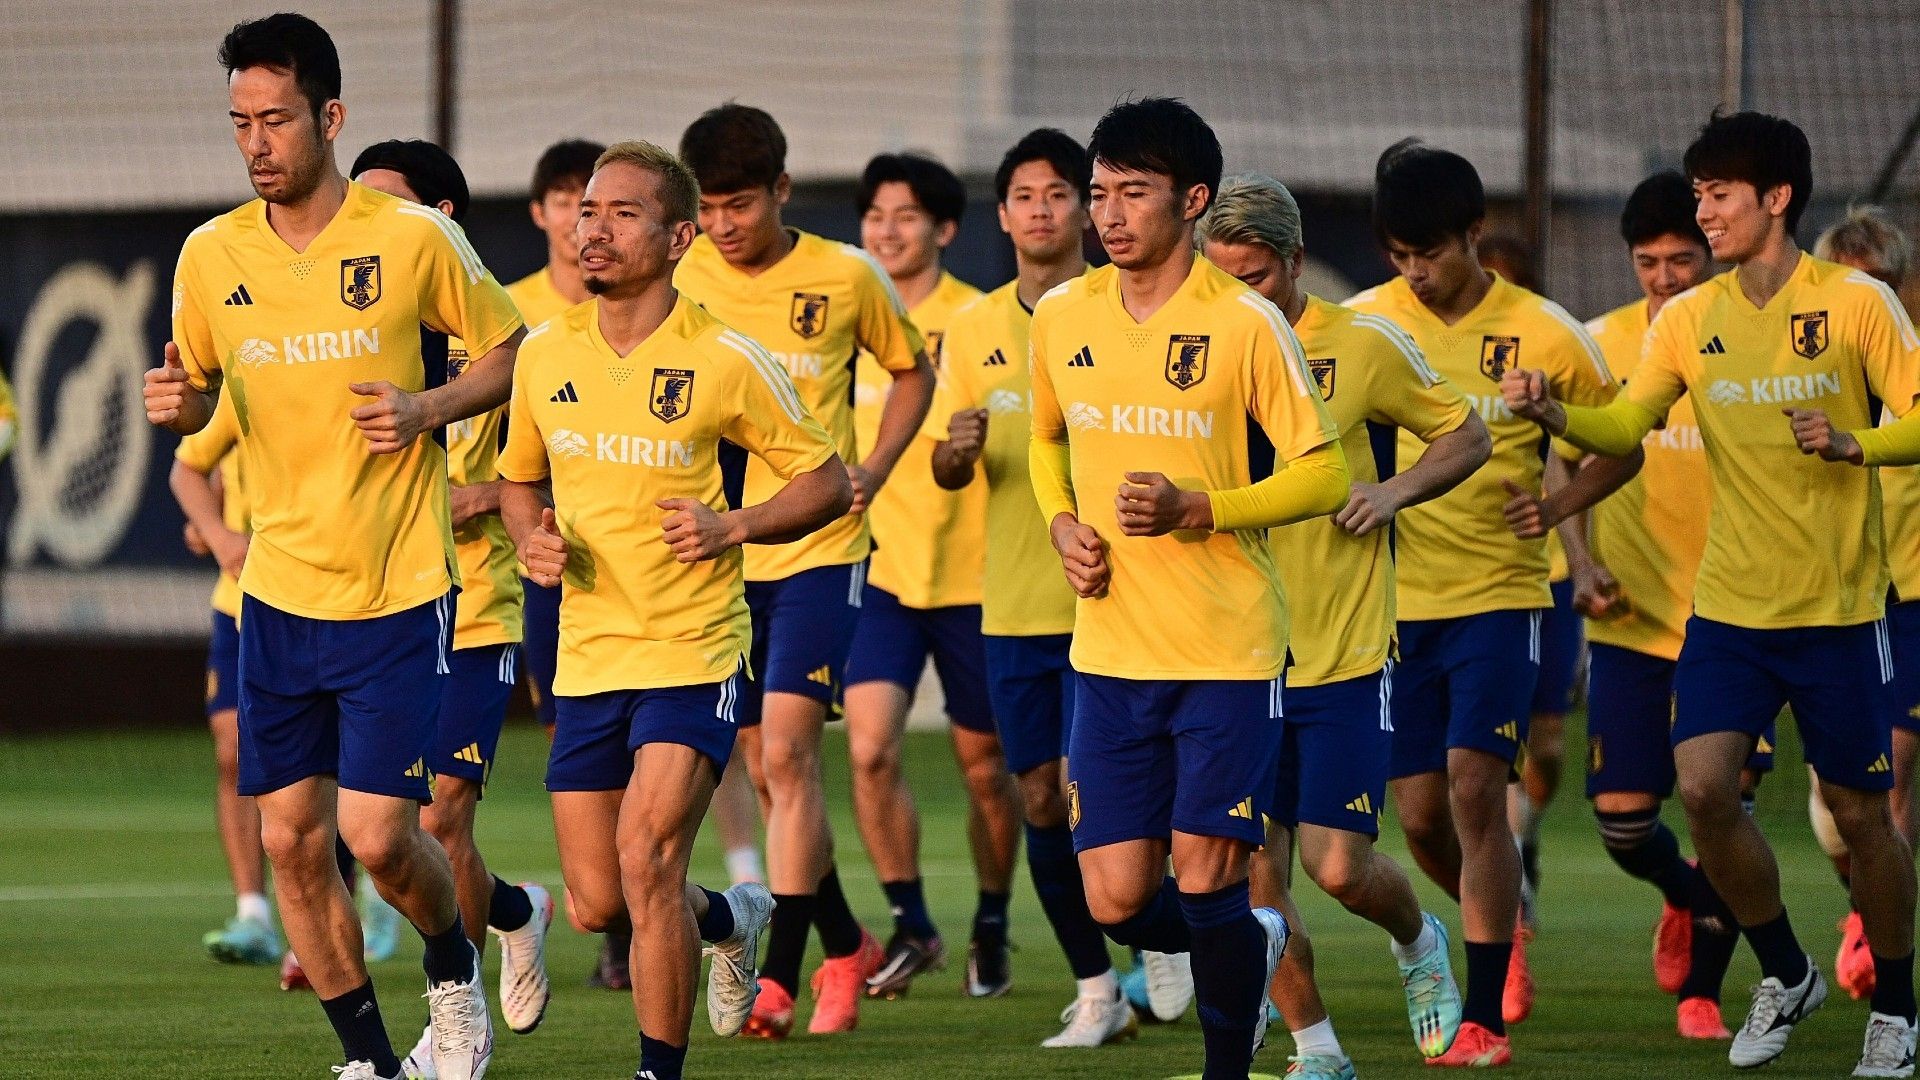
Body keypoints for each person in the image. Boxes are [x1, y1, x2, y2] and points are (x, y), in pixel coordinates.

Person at [141, 14, 525, 1079]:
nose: (256, 142)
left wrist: (427, 407)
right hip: (277, 593)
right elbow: (197, 394)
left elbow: (513, 352)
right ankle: (370, 1061)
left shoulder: (413, 239)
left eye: (276, 119)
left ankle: (453, 976)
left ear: (331, 116)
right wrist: (178, 406)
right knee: (289, 842)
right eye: (240, 122)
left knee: (380, 838)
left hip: (398, 587)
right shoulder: (211, 254)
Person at [1504, 111, 1920, 1075]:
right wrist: (1555, 412)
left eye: (1719, 194)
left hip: (1839, 613)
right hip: (1729, 612)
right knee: (1700, 790)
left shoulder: (1856, 303)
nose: (1705, 212)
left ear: (1776, 198)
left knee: (1864, 817)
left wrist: (1856, 442)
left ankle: (1897, 1011)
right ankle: (1787, 970)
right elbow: (1626, 427)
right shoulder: (1691, 318)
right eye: (1698, 194)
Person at [498, 138, 845, 1080]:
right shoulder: (544, 353)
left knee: (649, 864)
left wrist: (736, 525)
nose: (594, 228)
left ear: (679, 237)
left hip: (693, 651)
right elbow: (519, 479)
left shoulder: (725, 358)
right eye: (589, 211)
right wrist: (531, 537)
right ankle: (730, 918)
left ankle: (658, 1071)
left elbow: (825, 480)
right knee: (598, 903)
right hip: (587, 656)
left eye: (623, 213)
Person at [1029, 96, 1349, 1080]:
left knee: (1210, 878)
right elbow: (1045, 440)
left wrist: (1200, 508)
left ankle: (1226, 1066)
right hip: (1109, 650)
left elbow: (1324, 473)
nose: (1109, 215)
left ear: (1194, 200)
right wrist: (1063, 525)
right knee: (1116, 899)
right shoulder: (1063, 314)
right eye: (1099, 194)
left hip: (1226, 648)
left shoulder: (1246, 323)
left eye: (1134, 193)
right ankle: (1249, 942)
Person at [1199, 172, 1485, 1075]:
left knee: (1339, 869)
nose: (1238, 295)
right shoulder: (1196, 346)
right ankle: (1317, 1048)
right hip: (1236, 655)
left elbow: (1467, 435)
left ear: (1294, 261)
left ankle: (1419, 937)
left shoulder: (1362, 342)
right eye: (1221, 276)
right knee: (1255, 875)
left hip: (1346, 650)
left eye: (1253, 276)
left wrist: (1393, 491)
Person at [1346, 139, 1624, 1065]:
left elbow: (1621, 440)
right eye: (1398, 255)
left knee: (1477, 789)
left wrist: (1559, 509)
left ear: (1475, 234)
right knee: (1420, 816)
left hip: (1500, 599)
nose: (1415, 272)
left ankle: (1484, 1013)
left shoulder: (1546, 330)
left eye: (1430, 252)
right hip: (1392, 608)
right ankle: (1488, 920)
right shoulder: (1365, 323)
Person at [675, 102, 935, 1038]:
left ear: (782, 190)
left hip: (821, 552)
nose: (722, 225)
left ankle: (780, 979)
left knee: (787, 755)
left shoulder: (846, 274)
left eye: (740, 204)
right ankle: (847, 944)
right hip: (724, 557)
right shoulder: (683, 273)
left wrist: (878, 466)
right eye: (707, 208)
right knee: (763, 764)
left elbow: (912, 371)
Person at [1502, 170, 1764, 1039]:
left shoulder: (1747, 341)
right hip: (1632, 621)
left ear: (1710, 253)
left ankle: (1703, 997)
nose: (1665, 277)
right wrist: (1579, 562)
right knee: (1622, 823)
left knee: (1722, 809)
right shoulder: (1602, 344)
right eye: (1648, 262)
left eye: (1681, 259)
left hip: (1737, 622)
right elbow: (1564, 459)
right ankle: (1687, 898)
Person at [930, 126, 1153, 1047]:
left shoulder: (1118, 309)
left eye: (1061, 193)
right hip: (1016, 605)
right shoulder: (974, 329)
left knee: (1106, 794)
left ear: (1086, 211)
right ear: (1004, 214)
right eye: (1024, 196)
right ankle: (1098, 987)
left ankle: (1164, 943)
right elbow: (947, 467)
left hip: (1118, 600)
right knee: (1037, 799)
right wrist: (956, 452)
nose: (1042, 211)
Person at [346, 138, 555, 1074]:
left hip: (477, 610)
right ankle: (515, 908)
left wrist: (477, 497)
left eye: (387, 203)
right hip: (379, 609)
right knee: (380, 832)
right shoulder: (360, 330)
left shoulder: (509, 344)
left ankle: (449, 1030)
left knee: (440, 818)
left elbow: (553, 472)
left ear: (443, 219)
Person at [847, 150, 1022, 999]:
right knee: (870, 751)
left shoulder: (979, 320)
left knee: (986, 768)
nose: (887, 231)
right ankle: (913, 924)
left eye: (907, 216)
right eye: (875, 215)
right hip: (877, 571)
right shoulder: (844, 318)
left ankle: (991, 921)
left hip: (975, 576)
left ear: (946, 229)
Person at [1808, 204, 1919, 1005]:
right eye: (1849, 282)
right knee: (1837, 794)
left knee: (1893, 770)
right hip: (1838, 599)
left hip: (1911, 598)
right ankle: (1867, 897)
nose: (1865, 298)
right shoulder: (1807, 377)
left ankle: (1873, 937)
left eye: (1877, 282)